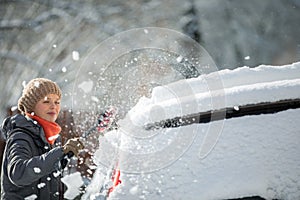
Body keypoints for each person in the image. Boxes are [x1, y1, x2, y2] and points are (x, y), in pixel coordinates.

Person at [0, 78, 84, 200]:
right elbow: (19, 173)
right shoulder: (21, 136)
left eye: (57, 102)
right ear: (31, 106)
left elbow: (47, 185)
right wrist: (58, 153)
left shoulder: (49, 137)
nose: (53, 106)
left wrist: (73, 193)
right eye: (46, 101)